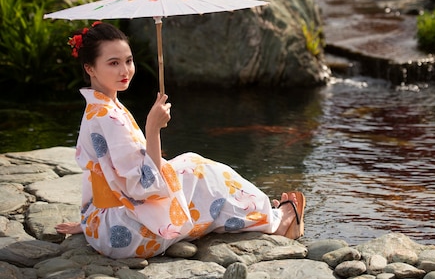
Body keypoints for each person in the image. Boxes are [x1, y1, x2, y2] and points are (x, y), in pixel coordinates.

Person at [54, 21, 305, 259]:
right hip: (126, 236)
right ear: (90, 68)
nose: (124, 70)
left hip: (103, 225)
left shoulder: (99, 106)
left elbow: (100, 173)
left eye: (128, 61)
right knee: (202, 174)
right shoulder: (108, 116)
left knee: (190, 167)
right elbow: (146, 186)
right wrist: (153, 129)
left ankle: (259, 213)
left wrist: (91, 220)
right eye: (113, 63)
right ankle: (276, 222)